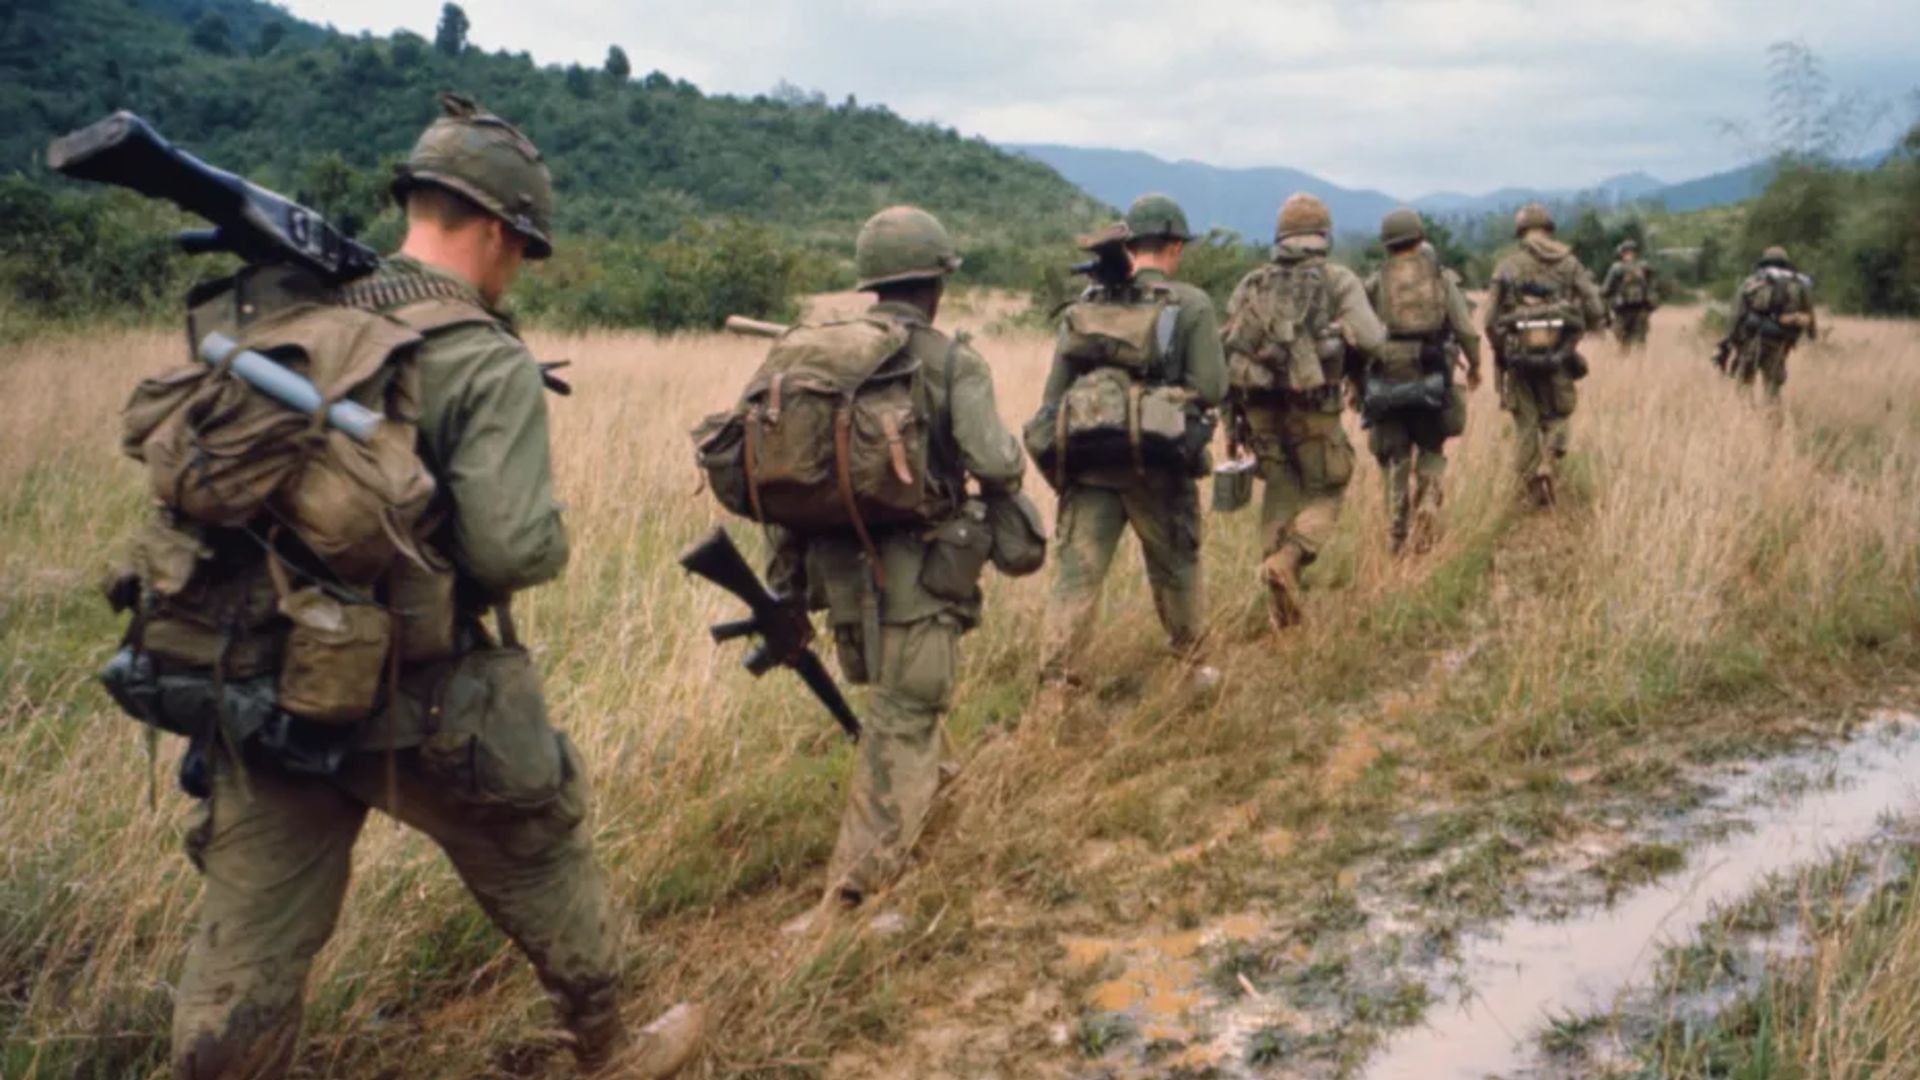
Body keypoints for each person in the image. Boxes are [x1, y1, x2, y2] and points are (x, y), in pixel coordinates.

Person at [168, 96, 703, 1079]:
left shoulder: (300, 315)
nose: (518, 268)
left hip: (265, 679)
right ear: (497, 230)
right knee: (540, 846)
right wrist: (546, 533)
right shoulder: (482, 357)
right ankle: (614, 1046)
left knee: (247, 945)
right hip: (416, 690)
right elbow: (510, 551)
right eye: (523, 248)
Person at [765, 206, 1028, 912]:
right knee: (903, 720)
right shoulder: (952, 361)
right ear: (937, 285)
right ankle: (855, 896)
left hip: (839, 575)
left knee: (901, 708)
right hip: (920, 576)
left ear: (872, 285)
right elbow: (996, 461)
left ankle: (943, 808)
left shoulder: (820, 356)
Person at [1036, 194, 1227, 697]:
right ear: (1173, 246)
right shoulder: (1191, 303)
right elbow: (1211, 387)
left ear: (1129, 246)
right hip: (1159, 466)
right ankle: (1194, 671)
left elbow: (1053, 398)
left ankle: (1055, 684)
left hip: (1090, 466)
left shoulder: (1086, 305)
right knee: (1177, 568)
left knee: (1077, 576)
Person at [1221, 193, 1385, 629]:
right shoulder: (1338, 279)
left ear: (1280, 236)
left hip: (1258, 411)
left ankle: (1280, 605)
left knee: (1279, 490)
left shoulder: (1252, 283)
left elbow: (1228, 352)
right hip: (1315, 411)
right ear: (1323, 234)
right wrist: (1343, 334)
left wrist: (1230, 425)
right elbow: (1373, 340)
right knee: (1328, 488)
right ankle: (1289, 560)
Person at [1360, 209, 1482, 554]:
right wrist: (1475, 366)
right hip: (1431, 374)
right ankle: (1428, 499)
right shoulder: (1441, 278)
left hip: (1386, 380)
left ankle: (1396, 534)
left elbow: (1357, 332)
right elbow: (1465, 329)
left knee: (1394, 458)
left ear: (1386, 244)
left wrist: (1356, 380)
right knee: (1431, 447)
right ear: (1420, 237)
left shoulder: (1375, 282)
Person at [1482, 202, 1607, 507]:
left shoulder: (1507, 265)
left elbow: (1488, 319)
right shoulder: (1570, 263)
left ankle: (1529, 489)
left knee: (1525, 425)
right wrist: (1583, 331)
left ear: (1520, 231)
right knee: (1559, 415)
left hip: (1518, 358)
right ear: (1548, 229)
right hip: (1558, 356)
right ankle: (1549, 462)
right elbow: (1594, 306)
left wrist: (1502, 350)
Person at [1724, 245, 1817, 403]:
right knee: (1773, 387)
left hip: (1752, 339)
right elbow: (1809, 313)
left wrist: (1730, 339)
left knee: (1744, 383)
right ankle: (1772, 416)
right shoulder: (1799, 284)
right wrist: (1812, 335)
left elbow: (1737, 313)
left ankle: (1744, 414)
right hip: (1779, 342)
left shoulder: (1752, 282)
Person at [1600, 239, 1658, 350]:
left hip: (1624, 310)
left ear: (1621, 252)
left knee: (1624, 342)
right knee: (1639, 342)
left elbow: (1605, 289)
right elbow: (1652, 284)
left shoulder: (1616, 268)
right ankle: (1639, 360)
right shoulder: (1644, 266)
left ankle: (1626, 360)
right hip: (1639, 309)